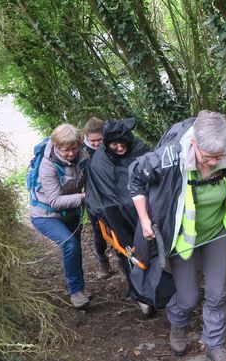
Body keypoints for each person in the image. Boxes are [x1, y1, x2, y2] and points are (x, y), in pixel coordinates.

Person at [128, 110, 226, 361]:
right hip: (183, 235)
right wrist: (144, 219)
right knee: (188, 297)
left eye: (219, 158)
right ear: (194, 143)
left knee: (217, 293)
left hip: (216, 230)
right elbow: (135, 177)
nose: (212, 163)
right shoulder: (170, 156)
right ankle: (178, 324)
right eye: (207, 158)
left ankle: (214, 344)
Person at [85, 118, 150, 307]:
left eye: (123, 143)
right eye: (115, 144)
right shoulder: (100, 160)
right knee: (126, 250)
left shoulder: (140, 149)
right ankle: (138, 292)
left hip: (144, 209)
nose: (120, 148)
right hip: (119, 215)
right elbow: (100, 194)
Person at [30, 123, 90, 309]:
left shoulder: (83, 155)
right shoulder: (47, 166)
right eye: (66, 150)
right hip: (46, 214)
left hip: (71, 212)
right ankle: (76, 292)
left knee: (75, 249)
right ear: (56, 146)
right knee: (70, 244)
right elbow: (55, 201)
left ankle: (79, 289)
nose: (71, 153)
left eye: (74, 148)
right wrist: (84, 197)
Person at [83, 117, 114, 279]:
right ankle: (103, 263)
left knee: (117, 228)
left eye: (99, 140)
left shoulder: (112, 146)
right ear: (86, 138)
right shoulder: (82, 152)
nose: (96, 143)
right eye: (92, 140)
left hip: (111, 194)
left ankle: (125, 262)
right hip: (92, 196)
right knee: (98, 231)